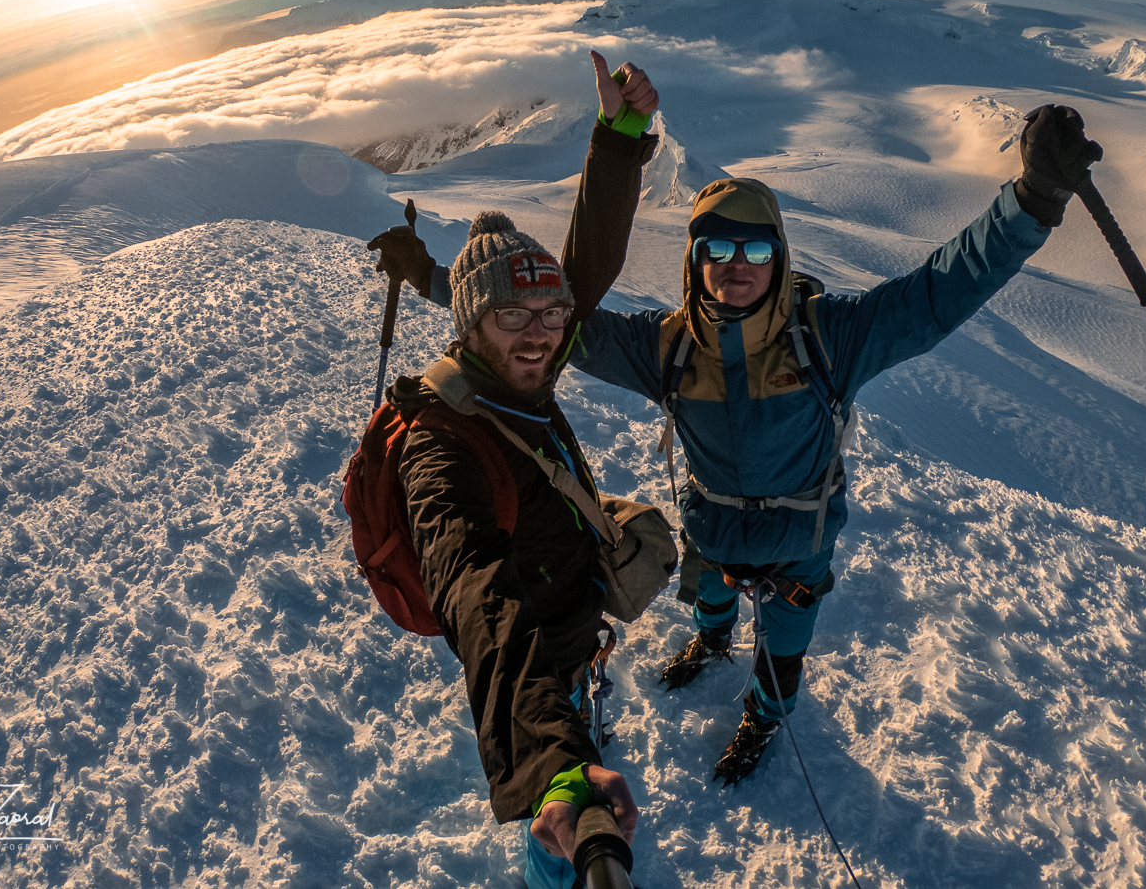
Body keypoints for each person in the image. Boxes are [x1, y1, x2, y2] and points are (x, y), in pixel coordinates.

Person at [550, 97, 1103, 782]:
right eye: (715, 248)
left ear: (779, 257)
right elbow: (549, 325)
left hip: (797, 548)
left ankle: (764, 715)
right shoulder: (665, 345)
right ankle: (713, 638)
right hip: (717, 532)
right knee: (711, 597)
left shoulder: (826, 338)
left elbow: (937, 292)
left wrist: (1033, 200)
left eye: (755, 247)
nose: (736, 264)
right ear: (694, 260)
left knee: (783, 648)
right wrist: (438, 278)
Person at [367, 56, 662, 887]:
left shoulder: (521, 366)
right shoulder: (441, 441)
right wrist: (552, 760)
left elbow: (588, 268)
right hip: (535, 649)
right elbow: (475, 592)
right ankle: (549, 858)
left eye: (550, 313)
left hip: (569, 614)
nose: (540, 333)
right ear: (470, 324)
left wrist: (619, 138)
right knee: (558, 819)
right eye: (512, 315)